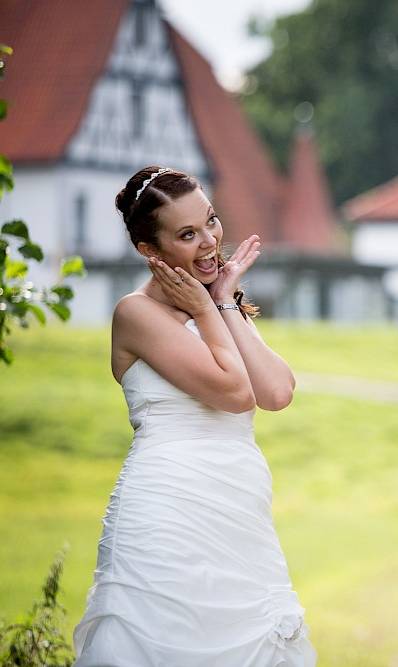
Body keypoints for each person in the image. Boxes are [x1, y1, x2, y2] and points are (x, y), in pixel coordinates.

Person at [73, 167, 317, 666]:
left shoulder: (222, 307)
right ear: (150, 250)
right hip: (167, 509)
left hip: (236, 510)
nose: (209, 242)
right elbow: (234, 392)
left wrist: (223, 300)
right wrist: (209, 312)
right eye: (187, 235)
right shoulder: (135, 314)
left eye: (211, 221)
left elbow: (275, 392)